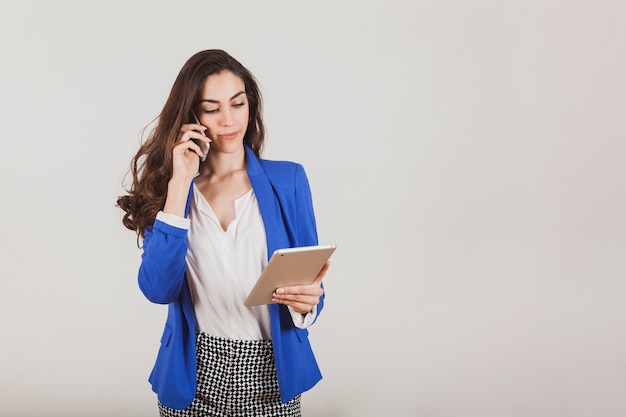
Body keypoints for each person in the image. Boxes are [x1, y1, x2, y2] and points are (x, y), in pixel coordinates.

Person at [117, 49, 329, 417]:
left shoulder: (289, 180)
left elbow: (308, 284)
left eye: (238, 104)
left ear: (251, 105)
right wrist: (181, 181)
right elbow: (157, 288)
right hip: (194, 373)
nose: (229, 121)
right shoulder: (172, 192)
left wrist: (308, 303)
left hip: (271, 373)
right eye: (212, 109)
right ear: (191, 117)